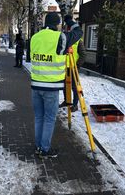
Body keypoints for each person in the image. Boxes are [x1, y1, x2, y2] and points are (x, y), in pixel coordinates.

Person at [30, 12, 82, 159]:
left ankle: (38, 146)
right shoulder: (61, 37)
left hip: (35, 86)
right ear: (57, 24)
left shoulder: (34, 38)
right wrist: (70, 21)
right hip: (51, 88)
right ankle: (44, 150)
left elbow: (30, 57)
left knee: (39, 118)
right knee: (49, 119)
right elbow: (79, 32)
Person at [59, 17, 86, 112]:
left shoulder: (79, 40)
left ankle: (75, 104)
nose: (67, 28)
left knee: (75, 87)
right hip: (64, 67)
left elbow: (83, 54)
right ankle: (67, 101)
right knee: (65, 86)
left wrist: (77, 65)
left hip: (73, 67)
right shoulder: (63, 38)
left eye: (68, 27)